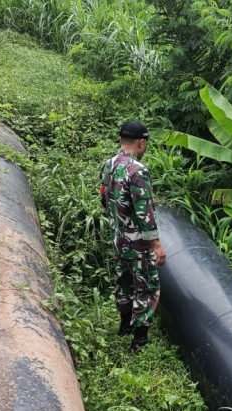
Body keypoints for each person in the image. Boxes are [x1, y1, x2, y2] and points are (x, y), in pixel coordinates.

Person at [99, 120, 167, 352]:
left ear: (121, 139)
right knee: (146, 286)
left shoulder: (107, 165)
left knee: (124, 281)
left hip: (118, 238)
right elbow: (144, 211)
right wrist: (156, 245)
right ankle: (139, 340)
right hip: (139, 243)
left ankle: (124, 326)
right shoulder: (138, 171)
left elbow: (104, 199)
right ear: (142, 142)